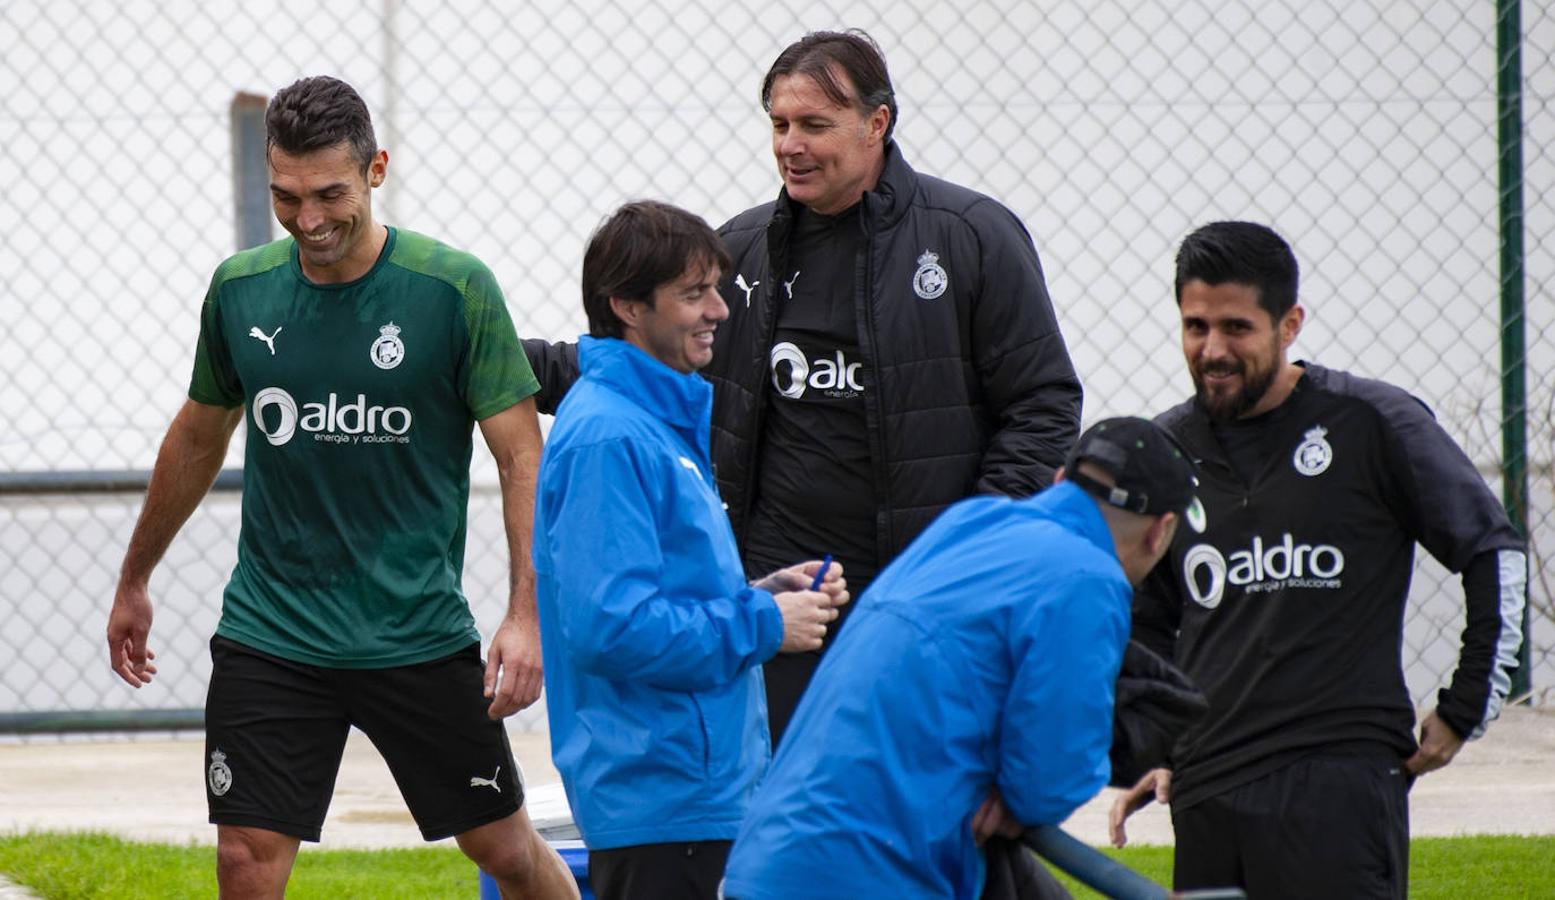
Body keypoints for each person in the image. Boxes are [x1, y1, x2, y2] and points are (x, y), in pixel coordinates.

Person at [525, 29, 1082, 744]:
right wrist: (487, 360)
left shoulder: (971, 236)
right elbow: (637, 351)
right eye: (779, 125)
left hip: (924, 598)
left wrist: (967, 551)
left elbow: (1042, 404)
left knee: (922, 822)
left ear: (876, 123)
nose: (789, 144)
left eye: (813, 125)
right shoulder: (744, 247)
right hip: (787, 596)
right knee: (782, 815)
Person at [105, 76, 577, 898]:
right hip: (272, 631)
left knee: (503, 850)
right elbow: (199, 431)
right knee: (245, 857)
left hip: (416, 634)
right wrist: (134, 577)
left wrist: (524, 615)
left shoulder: (453, 289)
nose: (310, 220)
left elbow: (519, 456)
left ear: (376, 169)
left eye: (330, 194)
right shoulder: (240, 289)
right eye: (287, 197)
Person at [1109, 221, 1529, 899]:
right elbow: (1144, 622)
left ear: (1289, 322)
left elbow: (1492, 550)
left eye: (1235, 328)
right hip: (1208, 793)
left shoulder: (1370, 422)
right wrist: (1155, 749)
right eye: (1194, 326)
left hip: (1338, 785)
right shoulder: (1165, 449)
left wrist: (1464, 707)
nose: (1211, 349)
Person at [719, 417, 1199, 899]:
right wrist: (1023, 790)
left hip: (767, 859)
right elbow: (1045, 784)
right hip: (873, 876)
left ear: (1059, 481)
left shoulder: (971, 521)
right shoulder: (1089, 576)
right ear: (1162, 532)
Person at [530, 200, 849, 900]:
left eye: (717, 287)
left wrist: (758, 595)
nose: (719, 310)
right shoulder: (611, 437)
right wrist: (763, 625)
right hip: (660, 796)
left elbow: (657, 594)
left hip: (689, 786)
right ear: (626, 306)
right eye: (692, 293)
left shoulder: (652, 419)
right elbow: (610, 627)